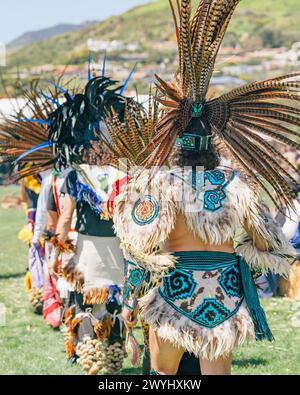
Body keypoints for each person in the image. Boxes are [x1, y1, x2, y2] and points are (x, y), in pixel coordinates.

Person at [101, 0, 299, 375]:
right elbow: (270, 244)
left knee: (163, 374)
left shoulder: (159, 184)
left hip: (177, 294)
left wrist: (132, 298)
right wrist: (242, 255)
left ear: (174, 141)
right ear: (215, 140)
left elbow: (138, 246)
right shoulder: (237, 185)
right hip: (224, 296)